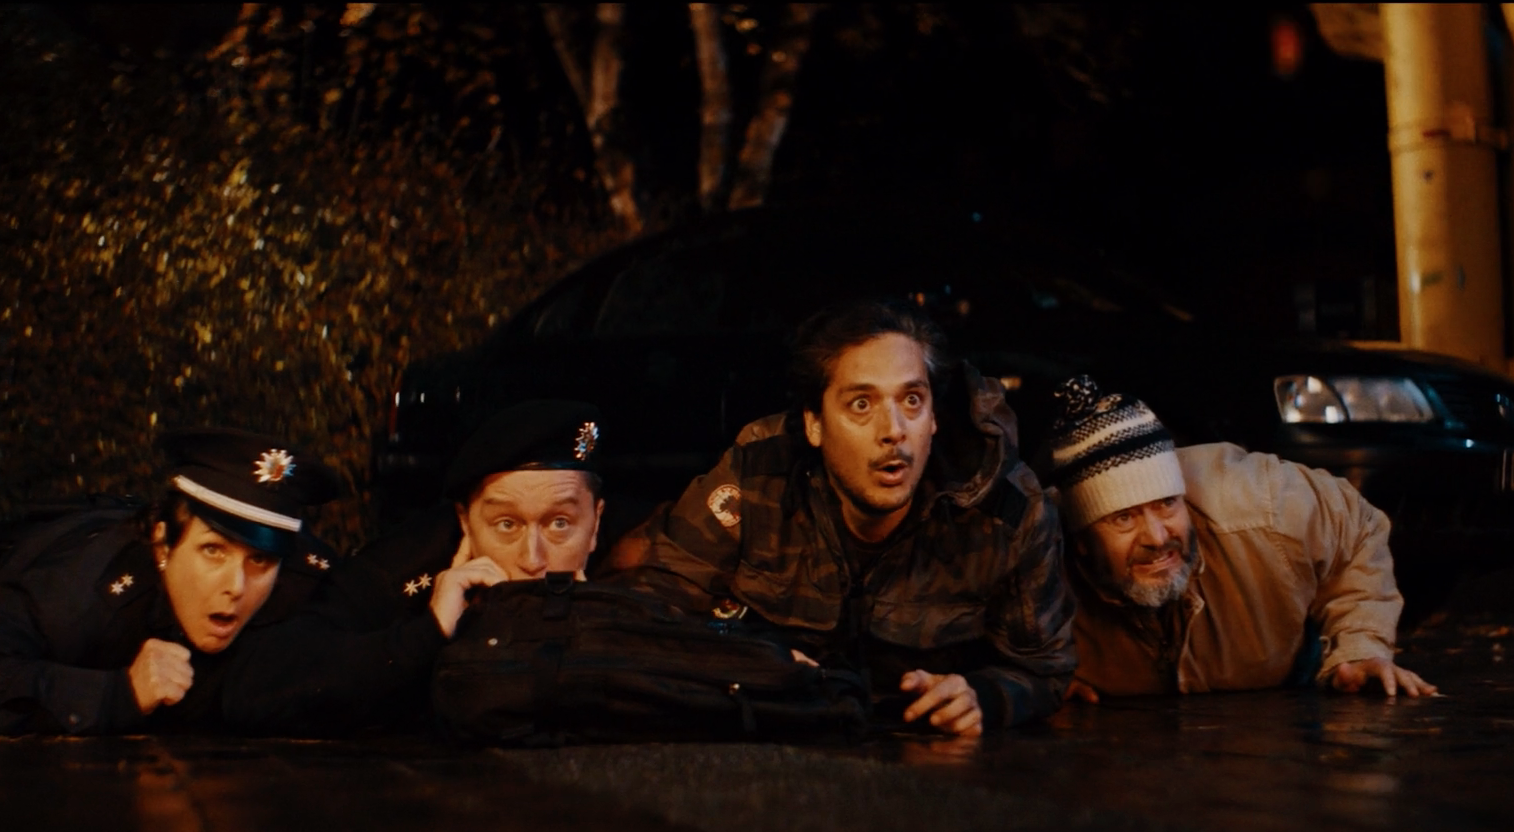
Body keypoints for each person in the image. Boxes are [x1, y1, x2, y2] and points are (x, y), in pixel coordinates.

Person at [609, 298, 1076, 736]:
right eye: (861, 404)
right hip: (774, 749)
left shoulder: (1004, 512)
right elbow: (649, 612)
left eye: (912, 400)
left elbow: (1043, 668)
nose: (893, 431)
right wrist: (748, 663)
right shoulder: (758, 478)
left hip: (921, 761)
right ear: (815, 423)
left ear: (933, 416)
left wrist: (984, 698)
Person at [223, 399, 606, 734]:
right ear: (465, 524)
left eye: (560, 524)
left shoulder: (623, 564)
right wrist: (430, 631)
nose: (533, 559)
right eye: (506, 525)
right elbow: (255, 688)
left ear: (595, 525)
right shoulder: (405, 567)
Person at [1043, 375, 1436, 701]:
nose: (1158, 538)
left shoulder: (1263, 506)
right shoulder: (1038, 556)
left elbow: (1356, 526)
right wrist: (1042, 679)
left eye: (1166, 503)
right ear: (1081, 538)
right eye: (1124, 518)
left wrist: (1360, 647)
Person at [0, 428, 342, 734]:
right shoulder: (80, 591)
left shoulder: (301, 577)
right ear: (163, 545)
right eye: (213, 550)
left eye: (259, 559)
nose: (237, 586)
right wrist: (119, 693)